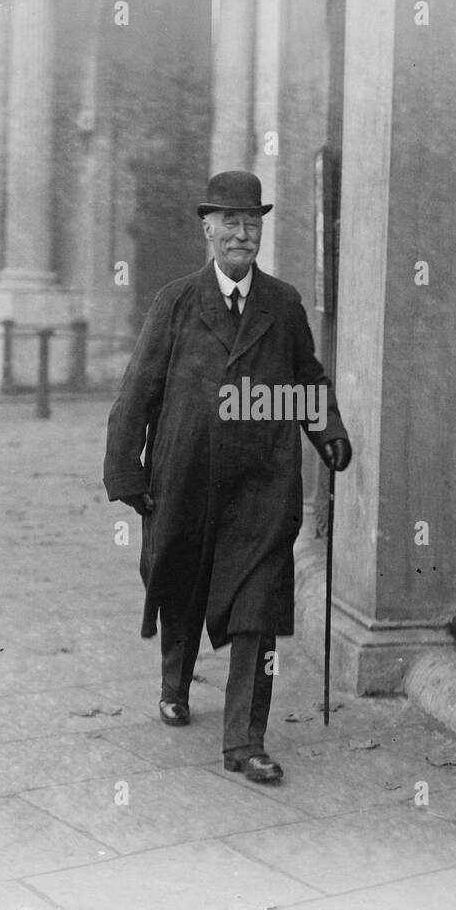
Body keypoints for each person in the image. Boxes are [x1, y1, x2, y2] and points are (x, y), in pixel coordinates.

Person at [104, 170, 352, 782]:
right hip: (184, 472)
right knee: (181, 580)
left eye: (252, 223)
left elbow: (305, 381)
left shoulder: (283, 303)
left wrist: (330, 434)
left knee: (256, 604)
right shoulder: (176, 301)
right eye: (230, 223)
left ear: (260, 231)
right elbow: (139, 389)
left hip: (262, 479)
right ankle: (175, 679)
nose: (242, 235)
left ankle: (245, 742)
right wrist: (126, 469)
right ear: (208, 229)